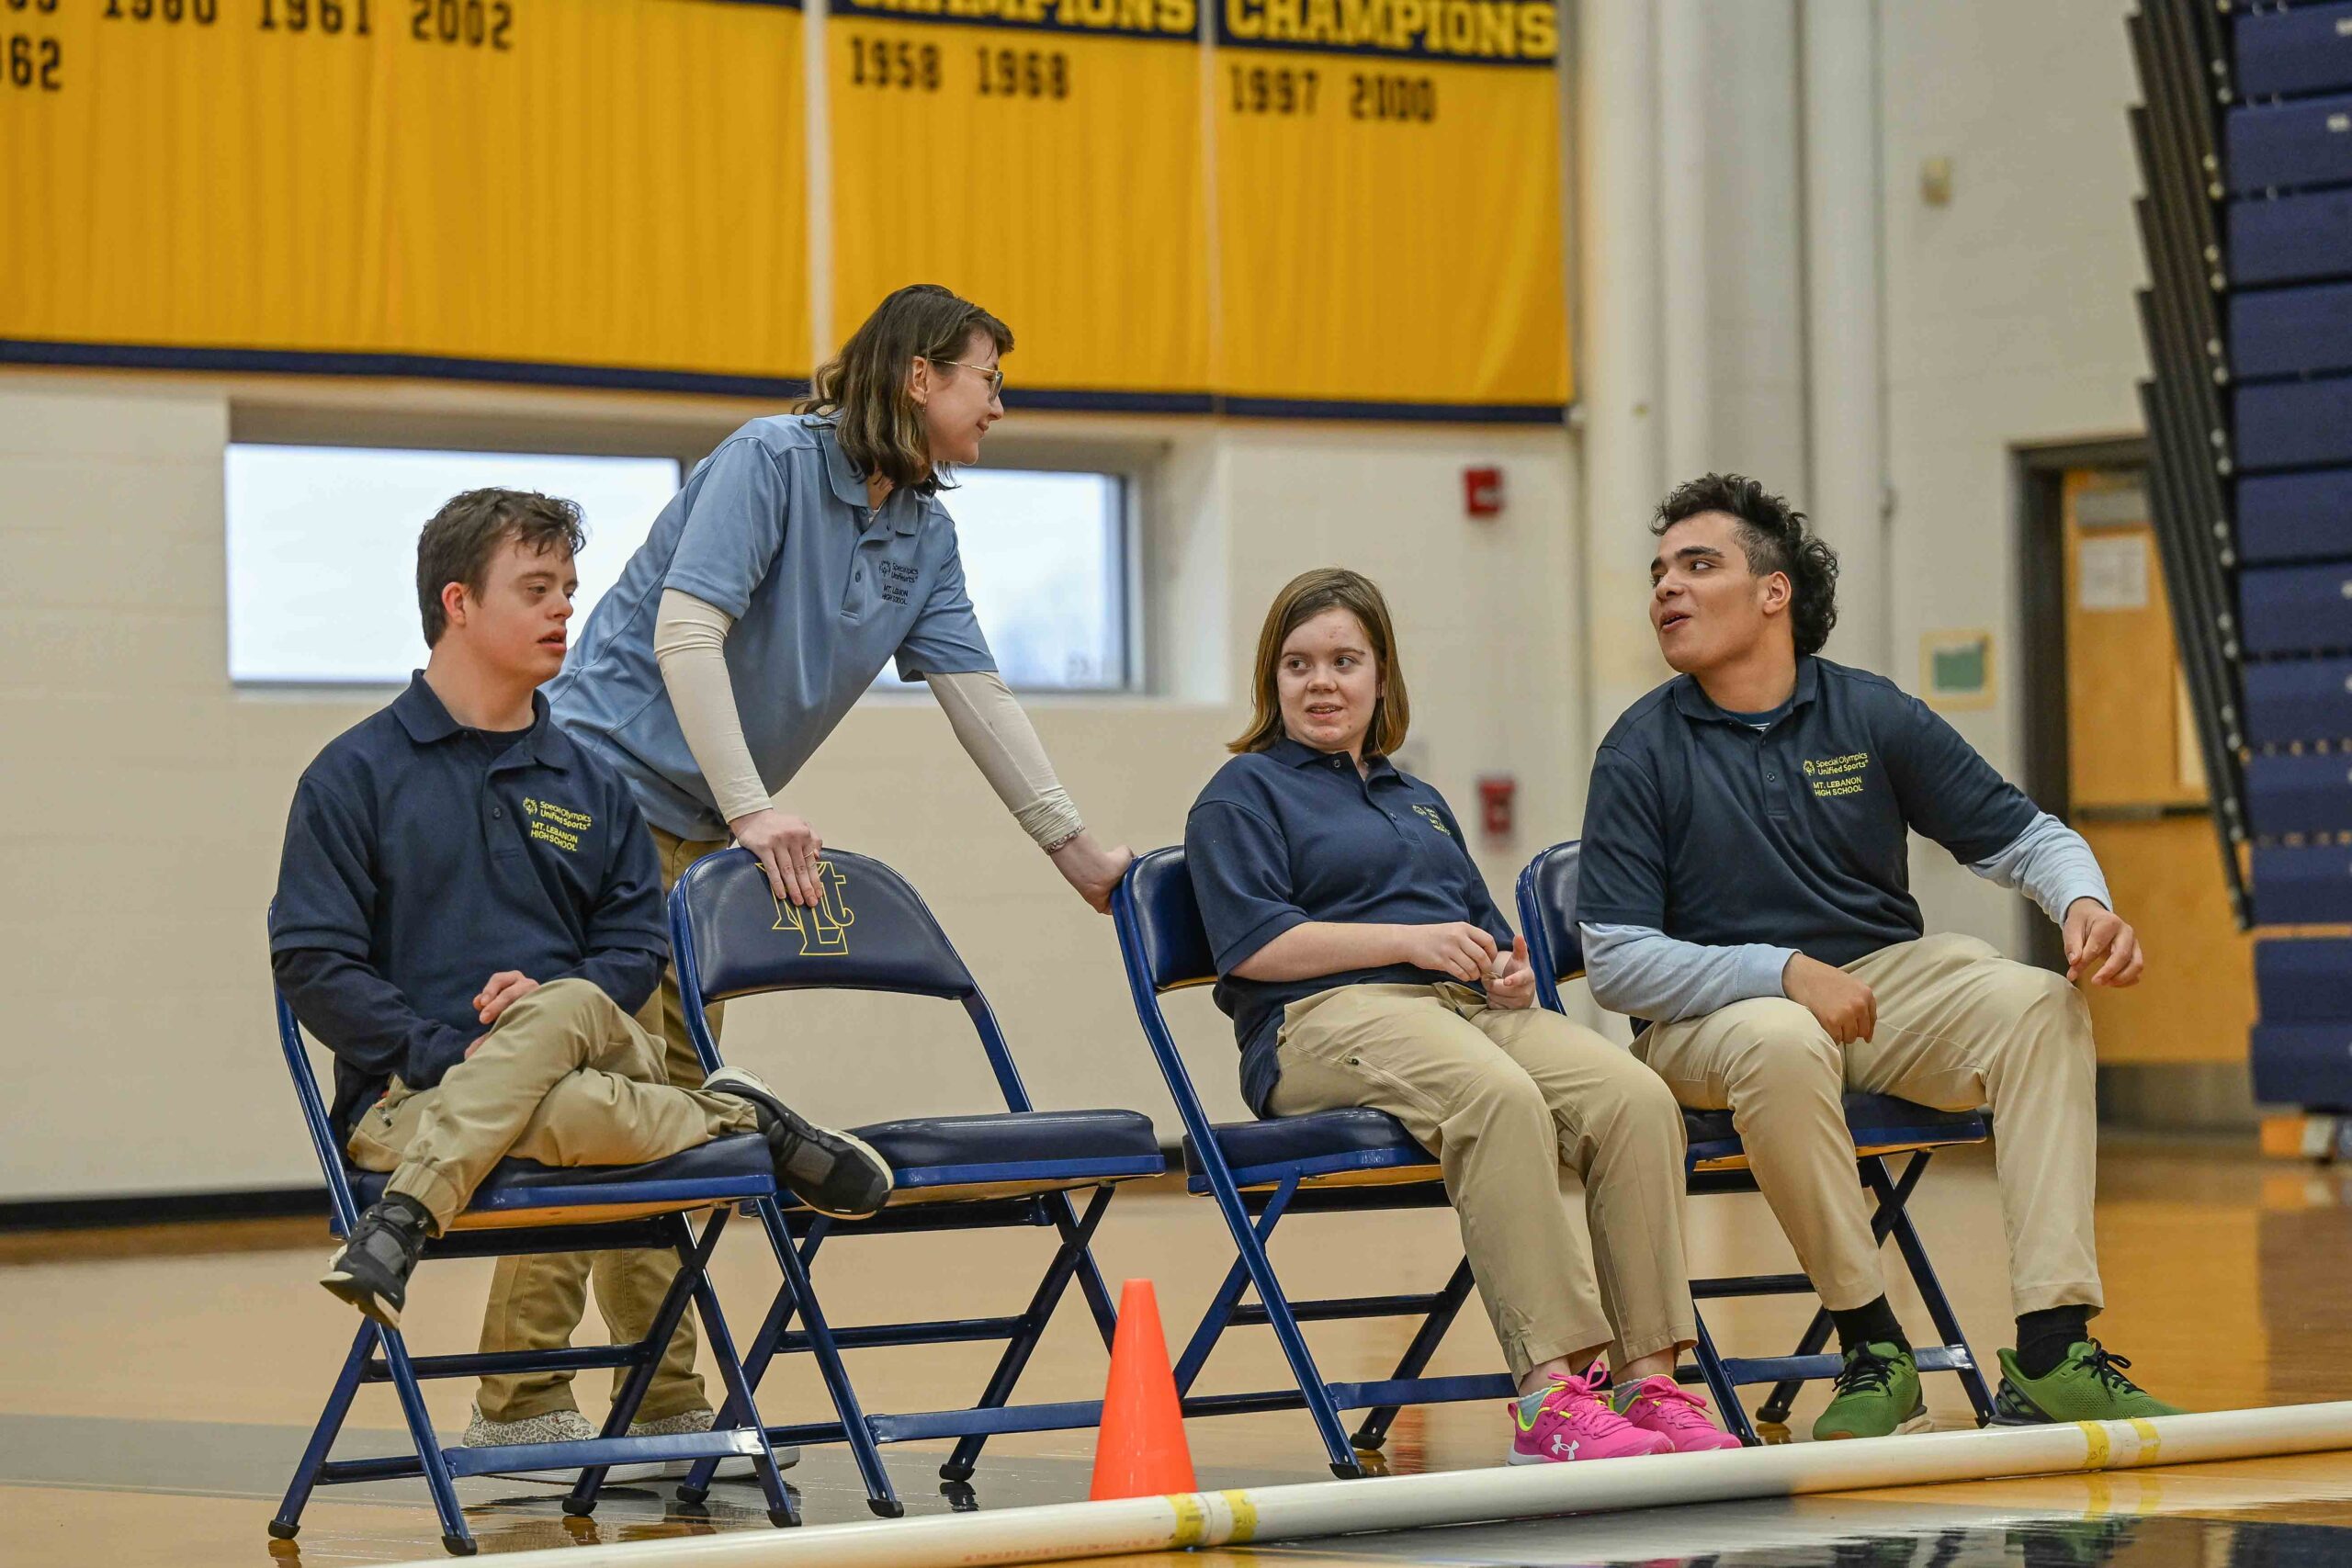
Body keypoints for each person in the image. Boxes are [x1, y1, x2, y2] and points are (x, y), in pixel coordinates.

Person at [460, 283, 1132, 1458]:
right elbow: (685, 635)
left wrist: (1074, 851)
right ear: (919, 376)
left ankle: (656, 1404)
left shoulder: (923, 534)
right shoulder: (768, 461)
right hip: (586, 803)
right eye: (987, 379)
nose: (998, 405)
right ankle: (525, 1404)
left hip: (692, 831)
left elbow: (978, 696)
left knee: (668, 1113)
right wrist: (754, 809)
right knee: (606, 1096)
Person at [270, 490, 891, 1461]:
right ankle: (737, 1122)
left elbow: (634, 948)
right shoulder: (353, 776)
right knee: (562, 1108)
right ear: (458, 603)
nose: (565, 607)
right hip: (412, 1098)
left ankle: (403, 1225)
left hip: (587, 1055)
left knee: (564, 1006)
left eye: (568, 586)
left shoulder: (592, 780)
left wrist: (550, 1009)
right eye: (535, 588)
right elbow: (313, 962)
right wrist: (444, 1051)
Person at [1576, 472, 2182, 1440]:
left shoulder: (1870, 713)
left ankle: (2052, 1347)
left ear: (1772, 592)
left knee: (2038, 1006)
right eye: (1658, 574)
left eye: (1696, 565)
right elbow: (1615, 960)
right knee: (1780, 1040)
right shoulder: (1638, 749)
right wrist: (1778, 970)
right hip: (1711, 1023)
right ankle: (1874, 1348)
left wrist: (2084, 903)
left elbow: (2029, 836)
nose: (1666, 589)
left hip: (1876, 991)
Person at [1184, 568, 1737, 1464]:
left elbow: (1482, 936)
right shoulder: (1241, 793)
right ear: (1271, 680)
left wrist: (1509, 977)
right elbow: (1254, 946)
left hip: (1460, 1011)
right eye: (1297, 664)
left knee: (1634, 1099)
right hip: (1317, 1019)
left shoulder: (1417, 799)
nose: (1321, 682)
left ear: (1381, 677)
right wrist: (1407, 940)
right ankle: (1550, 1397)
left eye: (1343, 661)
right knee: (1497, 1098)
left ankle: (1649, 1383)